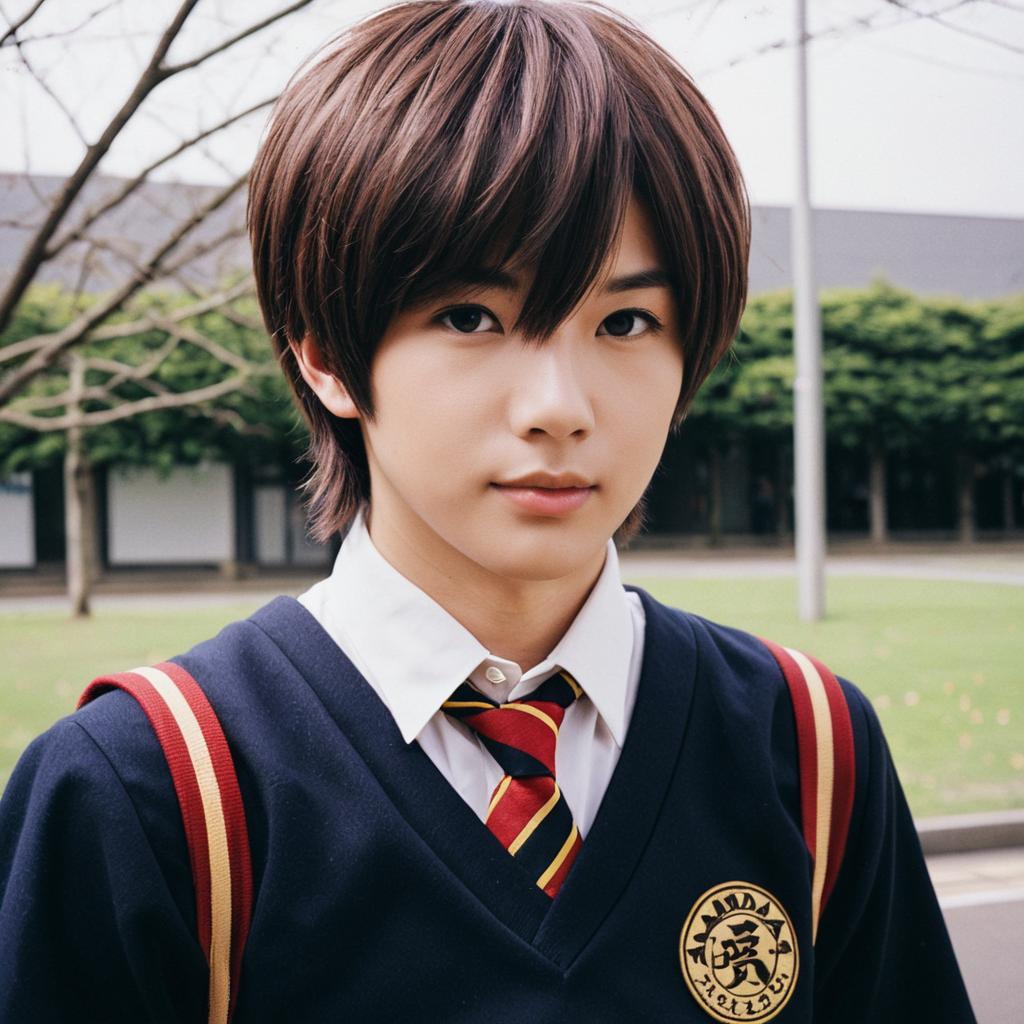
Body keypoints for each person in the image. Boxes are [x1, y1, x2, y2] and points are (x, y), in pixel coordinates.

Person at [0, 2, 975, 1021]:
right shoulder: (148, 790)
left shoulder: (810, 750)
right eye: (472, 316)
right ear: (325, 352)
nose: (560, 406)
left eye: (625, 321)